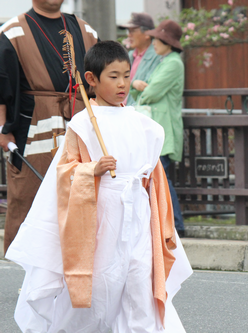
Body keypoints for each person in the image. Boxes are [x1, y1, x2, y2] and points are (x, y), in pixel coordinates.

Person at [6, 41, 192, 332]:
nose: (122, 84)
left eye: (126, 75)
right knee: (100, 283)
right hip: (100, 216)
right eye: (113, 76)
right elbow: (65, 173)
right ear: (91, 80)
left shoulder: (143, 124)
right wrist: (92, 168)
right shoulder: (82, 125)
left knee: (139, 278)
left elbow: (153, 177)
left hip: (138, 215)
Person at [0, 0, 98, 254]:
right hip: (32, 125)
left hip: (81, 121)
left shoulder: (86, 30)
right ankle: (26, 264)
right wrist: (2, 128)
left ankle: (78, 262)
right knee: (29, 196)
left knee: (82, 192)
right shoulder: (13, 31)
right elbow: (2, 87)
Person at [130, 20, 185, 236]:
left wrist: (138, 86)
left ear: (167, 42)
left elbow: (150, 93)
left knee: (161, 177)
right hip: (159, 130)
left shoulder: (172, 63)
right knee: (159, 177)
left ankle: (176, 225)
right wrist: (138, 86)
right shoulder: (166, 61)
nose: (153, 43)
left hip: (164, 131)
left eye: (157, 39)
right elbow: (142, 90)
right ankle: (172, 224)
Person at [119, 12, 161, 106]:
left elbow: (149, 88)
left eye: (132, 31)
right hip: (123, 110)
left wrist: (132, 83)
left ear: (147, 34)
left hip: (141, 113)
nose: (129, 35)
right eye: (128, 31)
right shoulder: (130, 56)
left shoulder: (157, 56)